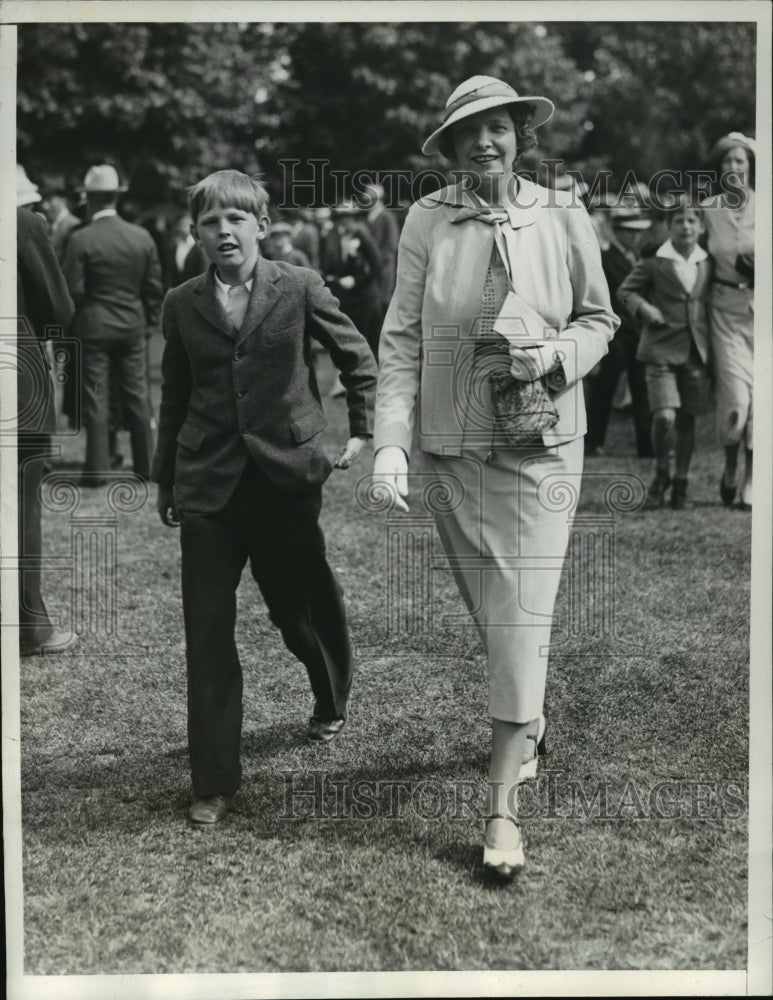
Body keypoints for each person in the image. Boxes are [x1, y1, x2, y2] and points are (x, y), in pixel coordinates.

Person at [373, 76, 618, 881]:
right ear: (448, 147)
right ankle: (529, 718)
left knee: (517, 616)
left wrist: (553, 357)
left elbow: (598, 319)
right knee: (494, 613)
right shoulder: (425, 219)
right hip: (450, 448)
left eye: (499, 128)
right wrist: (390, 444)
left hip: (542, 445)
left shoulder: (562, 212)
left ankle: (501, 812)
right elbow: (402, 337)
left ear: (520, 136)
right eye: (468, 132)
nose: (485, 142)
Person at [151, 170, 377, 826]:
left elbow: (357, 358)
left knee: (295, 608)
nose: (223, 231)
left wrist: (362, 429)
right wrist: (166, 479)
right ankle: (214, 780)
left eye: (236, 219)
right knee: (207, 629)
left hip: (284, 477)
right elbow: (174, 394)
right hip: (209, 486)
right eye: (210, 222)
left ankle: (329, 693)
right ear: (194, 232)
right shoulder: (180, 302)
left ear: (261, 224)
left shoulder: (299, 286)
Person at [63, 164, 163, 483]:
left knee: (95, 397)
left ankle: (96, 470)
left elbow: (73, 291)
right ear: (116, 198)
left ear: (89, 199)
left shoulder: (80, 239)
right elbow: (153, 287)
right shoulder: (141, 236)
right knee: (138, 395)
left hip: (93, 329)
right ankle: (147, 467)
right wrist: (147, 322)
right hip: (131, 327)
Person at [617, 199, 712, 510]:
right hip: (659, 350)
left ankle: (681, 480)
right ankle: (661, 472)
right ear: (669, 227)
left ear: (701, 227)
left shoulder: (706, 263)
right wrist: (645, 308)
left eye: (691, 221)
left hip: (694, 353)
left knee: (686, 420)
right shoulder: (655, 262)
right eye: (679, 221)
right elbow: (625, 292)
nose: (685, 226)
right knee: (665, 416)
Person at [17, 203, 78, 656]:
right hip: (15, 388)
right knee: (21, 513)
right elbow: (58, 309)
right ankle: (29, 627)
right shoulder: (22, 222)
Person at [700, 132, 755, 511]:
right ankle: (731, 464)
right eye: (727, 162)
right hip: (722, 308)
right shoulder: (708, 208)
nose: (733, 167)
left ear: (751, 166)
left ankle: (752, 478)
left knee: (762, 401)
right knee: (736, 397)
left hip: (762, 312)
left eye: (740, 160)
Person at [585, 206, 653, 458]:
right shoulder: (606, 260)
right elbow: (614, 299)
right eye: (629, 232)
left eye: (639, 232)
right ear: (616, 231)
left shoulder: (639, 259)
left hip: (638, 333)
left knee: (641, 390)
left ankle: (647, 445)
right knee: (606, 388)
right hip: (618, 334)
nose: (636, 237)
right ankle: (594, 441)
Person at [321, 201, 383, 358]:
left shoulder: (362, 235)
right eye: (340, 218)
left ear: (355, 219)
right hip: (349, 299)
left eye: (347, 218)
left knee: (370, 343)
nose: (343, 222)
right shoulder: (339, 238)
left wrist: (357, 280)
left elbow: (377, 265)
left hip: (365, 298)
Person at [362, 181, 400, 320]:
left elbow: (391, 245)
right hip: (370, 269)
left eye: (371, 199)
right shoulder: (367, 217)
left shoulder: (387, 216)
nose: (368, 202)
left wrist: (377, 263)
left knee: (383, 303)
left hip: (383, 267)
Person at [167, 212, 207, 287]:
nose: (182, 228)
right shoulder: (175, 246)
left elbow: (203, 271)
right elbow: (170, 270)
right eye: (181, 225)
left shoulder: (198, 247)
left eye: (185, 225)